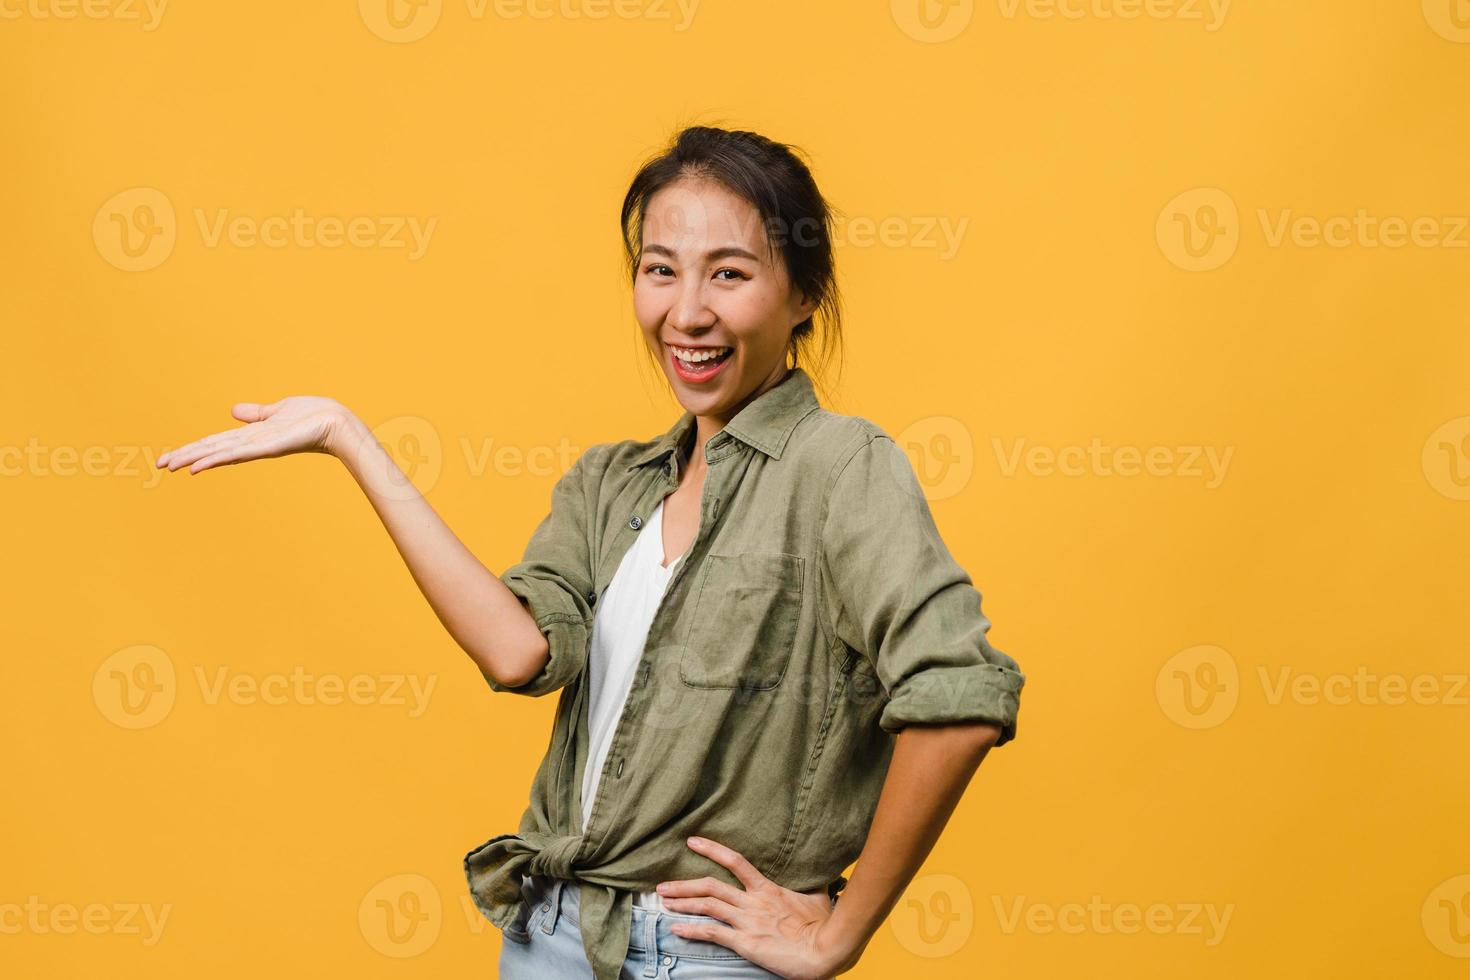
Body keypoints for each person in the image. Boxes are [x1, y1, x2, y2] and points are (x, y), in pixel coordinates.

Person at [154, 125, 1026, 980]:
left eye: (729, 273)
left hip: (708, 955)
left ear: (803, 296)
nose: (687, 313)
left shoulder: (841, 467)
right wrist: (351, 441)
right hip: (551, 935)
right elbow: (516, 651)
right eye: (659, 270)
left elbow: (958, 695)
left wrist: (839, 933)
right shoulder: (611, 484)